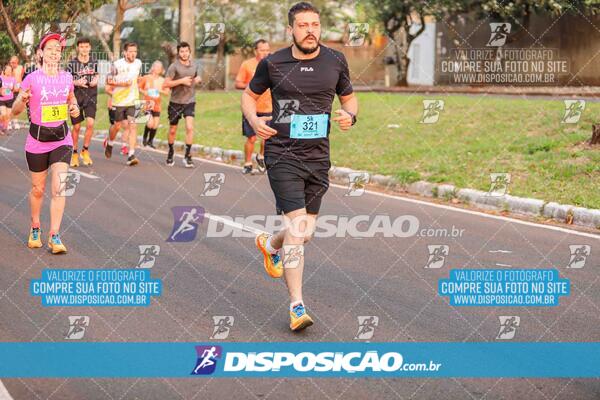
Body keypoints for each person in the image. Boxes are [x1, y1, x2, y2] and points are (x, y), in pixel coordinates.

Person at [242, 2, 358, 331]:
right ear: (290, 29)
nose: (310, 30)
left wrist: (350, 115)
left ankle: (270, 243)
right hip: (281, 154)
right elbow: (248, 96)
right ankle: (297, 306)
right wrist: (254, 121)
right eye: (303, 25)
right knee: (297, 229)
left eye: (315, 24)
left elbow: (349, 98)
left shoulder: (336, 60)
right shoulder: (273, 62)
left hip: (318, 158)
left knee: (303, 235)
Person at [11, 33, 80, 254]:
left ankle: (55, 235)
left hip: (62, 139)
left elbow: (72, 99)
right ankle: (35, 227)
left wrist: (75, 108)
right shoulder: (31, 78)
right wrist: (22, 100)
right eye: (50, 48)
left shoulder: (67, 77)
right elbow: (15, 111)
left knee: (60, 189)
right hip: (37, 140)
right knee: (38, 189)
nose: (54, 52)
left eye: (58, 49)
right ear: (41, 53)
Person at [235, 39, 271, 174]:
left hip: (269, 108)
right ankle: (248, 163)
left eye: (267, 50)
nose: (266, 53)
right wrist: (253, 87)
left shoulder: (273, 64)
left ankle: (261, 156)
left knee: (267, 137)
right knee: (252, 138)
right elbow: (238, 84)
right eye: (262, 50)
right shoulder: (247, 65)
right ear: (255, 51)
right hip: (251, 108)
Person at [163, 42, 201, 168]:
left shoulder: (194, 65)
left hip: (190, 101)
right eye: (182, 51)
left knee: (190, 128)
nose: (184, 54)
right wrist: (181, 81)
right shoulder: (174, 67)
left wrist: (197, 80)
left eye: (186, 51)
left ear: (190, 52)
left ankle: (188, 155)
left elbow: (197, 77)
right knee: (173, 130)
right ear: (178, 53)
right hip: (175, 102)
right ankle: (170, 152)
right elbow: (166, 84)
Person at [104, 41, 141, 166]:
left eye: (135, 51)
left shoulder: (138, 63)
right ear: (124, 53)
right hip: (119, 101)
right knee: (117, 126)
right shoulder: (117, 64)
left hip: (133, 100)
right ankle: (110, 142)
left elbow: (138, 79)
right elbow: (108, 80)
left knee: (133, 126)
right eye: (130, 51)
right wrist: (122, 84)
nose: (133, 54)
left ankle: (131, 154)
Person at [67, 37, 99, 167]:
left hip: (91, 96)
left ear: (90, 48)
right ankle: (74, 153)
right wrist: (76, 82)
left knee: (90, 124)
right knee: (77, 127)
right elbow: (66, 80)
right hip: (76, 97)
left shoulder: (94, 61)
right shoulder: (72, 64)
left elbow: (96, 74)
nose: (84, 49)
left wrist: (96, 80)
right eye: (82, 47)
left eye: (87, 47)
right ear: (78, 48)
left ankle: (85, 151)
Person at [139, 60, 169, 148]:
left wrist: (159, 90)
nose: (157, 69)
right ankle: (144, 138)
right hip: (147, 104)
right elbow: (138, 88)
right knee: (150, 123)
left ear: (161, 70)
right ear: (152, 67)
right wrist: (144, 92)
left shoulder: (162, 80)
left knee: (155, 125)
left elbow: (167, 93)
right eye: (155, 66)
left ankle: (150, 142)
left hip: (157, 105)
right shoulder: (146, 78)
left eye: (159, 67)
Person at [0, 65, 16, 134]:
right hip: (1, 99)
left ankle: (5, 128)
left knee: (8, 116)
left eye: (10, 70)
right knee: (3, 114)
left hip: (10, 99)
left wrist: (8, 91)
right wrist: (2, 91)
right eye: (8, 69)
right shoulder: (0, 78)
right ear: (4, 70)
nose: (9, 71)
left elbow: (14, 89)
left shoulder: (13, 79)